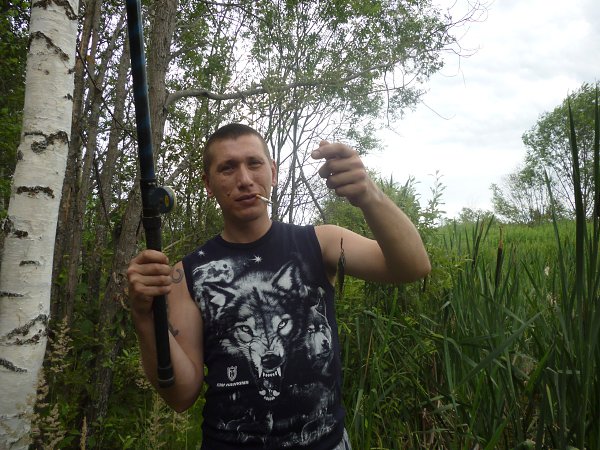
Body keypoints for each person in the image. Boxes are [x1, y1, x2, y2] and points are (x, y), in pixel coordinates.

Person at [127, 123, 431, 450]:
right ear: (208, 184)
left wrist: (369, 194)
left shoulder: (320, 243)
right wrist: (144, 318)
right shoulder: (187, 275)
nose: (245, 179)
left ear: (272, 172)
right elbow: (181, 395)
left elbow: (413, 266)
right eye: (227, 168)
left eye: (254, 163)